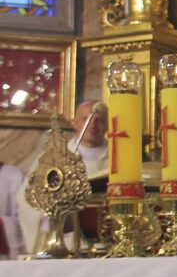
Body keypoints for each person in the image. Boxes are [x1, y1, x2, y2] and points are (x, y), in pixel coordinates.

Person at [17, 99, 108, 253]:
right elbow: (26, 197)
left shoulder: (119, 158)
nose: (93, 124)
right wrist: (51, 216)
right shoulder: (53, 159)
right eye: (86, 118)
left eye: (100, 120)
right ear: (75, 123)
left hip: (106, 239)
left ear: (107, 125)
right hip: (67, 239)